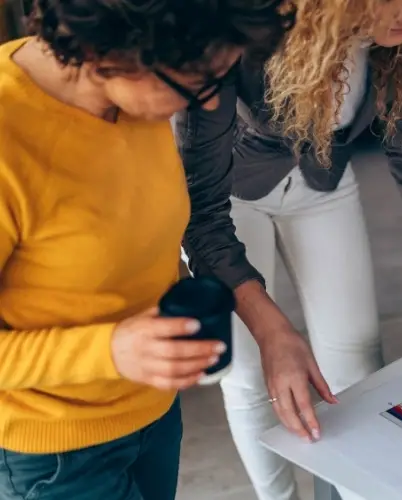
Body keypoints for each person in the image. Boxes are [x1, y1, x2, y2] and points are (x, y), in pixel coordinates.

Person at [175, 0, 402, 498]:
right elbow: (200, 207)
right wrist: (272, 330)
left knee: (357, 361)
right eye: (396, 3)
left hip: (322, 184)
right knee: (250, 375)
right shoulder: (252, 27)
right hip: (229, 195)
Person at [0, 1, 293, 499]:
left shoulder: (131, 91)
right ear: (116, 49)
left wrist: (269, 328)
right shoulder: (12, 133)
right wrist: (109, 350)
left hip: (153, 413)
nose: (208, 105)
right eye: (198, 83)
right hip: (54, 454)